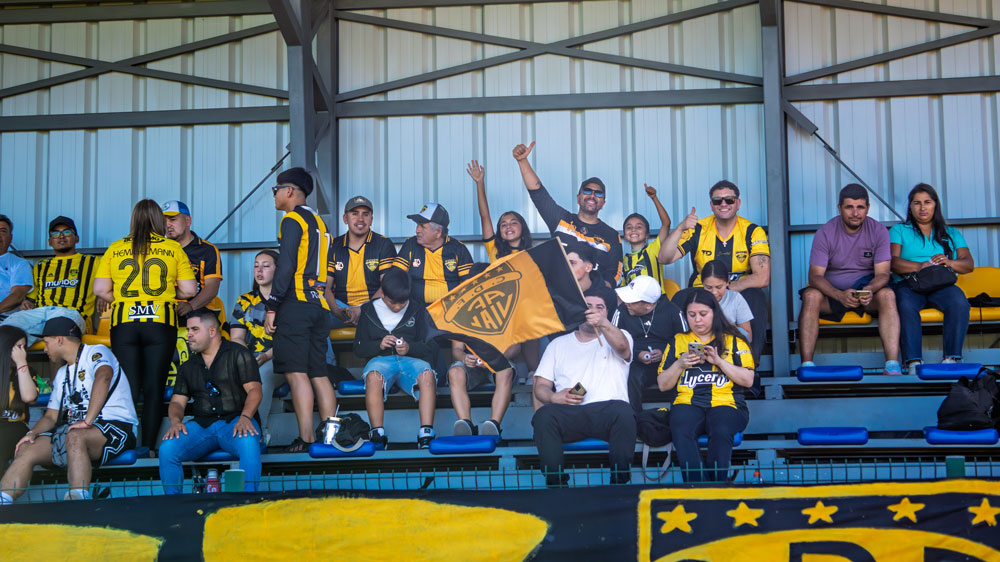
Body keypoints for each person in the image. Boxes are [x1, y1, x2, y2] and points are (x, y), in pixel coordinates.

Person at [94, 199, 196, 448]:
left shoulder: (115, 248)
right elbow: (189, 290)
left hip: (124, 323)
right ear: (159, 220)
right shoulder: (172, 248)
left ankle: (125, 445)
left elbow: (100, 289)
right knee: (154, 387)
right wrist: (167, 294)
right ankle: (148, 447)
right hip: (160, 322)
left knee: (128, 386)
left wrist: (125, 299)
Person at [0, 318, 137, 503]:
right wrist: (32, 433)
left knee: (75, 436)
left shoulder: (96, 351)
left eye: (46, 342)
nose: (45, 349)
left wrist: (87, 420)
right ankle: (3, 500)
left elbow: (104, 376)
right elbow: (50, 416)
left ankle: (77, 498)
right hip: (75, 433)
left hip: (116, 428)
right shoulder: (62, 373)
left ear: (59, 339)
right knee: (27, 447)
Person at [263, 167, 338, 452]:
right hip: (319, 304)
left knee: (296, 373)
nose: (274, 195)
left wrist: (272, 305)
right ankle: (330, 437)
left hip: (295, 303)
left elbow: (286, 266)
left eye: (276, 190)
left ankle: (306, 438)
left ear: (290, 191)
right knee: (318, 372)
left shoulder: (292, 219)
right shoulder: (320, 223)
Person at [532, 284, 636, 487]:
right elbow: (540, 386)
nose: (593, 310)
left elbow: (623, 348)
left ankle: (619, 484)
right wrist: (554, 397)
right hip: (570, 413)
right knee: (543, 416)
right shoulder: (557, 344)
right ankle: (556, 485)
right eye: (588, 306)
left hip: (608, 412)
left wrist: (603, 324)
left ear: (607, 313)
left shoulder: (620, 335)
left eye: (600, 307)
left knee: (624, 412)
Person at [660, 180, 770, 356]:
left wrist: (724, 290)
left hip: (737, 291)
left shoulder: (752, 231)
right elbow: (664, 258)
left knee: (756, 296)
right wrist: (680, 228)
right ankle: (683, 358)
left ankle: (749, 361)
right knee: (680, 297)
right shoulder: (698, 229)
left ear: (738, 203)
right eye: (718, 201)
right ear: (711, 205)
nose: (723, 204)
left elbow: (762, 277)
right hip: (701, 290)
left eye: (729, 200)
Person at [799, 184, 900, 374]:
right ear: (839, 208)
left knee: (887, 295)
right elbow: (815, 276)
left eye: (860, 207)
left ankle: (892, 365)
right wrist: (838, 295)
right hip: (833, 295)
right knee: (811, 296)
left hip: (866, 295)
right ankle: (807, 365)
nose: (855, 213)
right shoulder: (825, 232)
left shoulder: (878, 231)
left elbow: (883, 274)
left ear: (868, 208)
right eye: (849, 207)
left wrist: (870, 289)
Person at [159, 309, 262, 494]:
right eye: (188, 330)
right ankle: (172, 504)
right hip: (202, 426)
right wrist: (175, 422)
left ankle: (248, 501)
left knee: (248, 443)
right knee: (168, 448)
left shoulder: (238, 353)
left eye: (194, 329)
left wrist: (246, 417)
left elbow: (255, 390)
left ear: (212, 331)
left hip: (236, 421)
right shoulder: (188, 366)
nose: (188, 334)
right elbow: (177, 403)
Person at [657, 289, 754, 483]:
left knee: (721, 430)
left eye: (703, 314)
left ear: (714, 313)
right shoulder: (678, 341)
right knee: (681, 430)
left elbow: (748, 380)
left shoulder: (734, 340)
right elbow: (663, 385)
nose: (697, 320)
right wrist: (680, 364)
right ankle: (698, 488)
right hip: (687, 402)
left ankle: (716, 487)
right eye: (691, 315)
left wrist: (719, 362)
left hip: (727, 403)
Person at [889, 183, 975, 373]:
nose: (922, 207)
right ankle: (913, 362)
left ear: (935, 205)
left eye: (927, 202)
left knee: (959, 302)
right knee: (905, 304)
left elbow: (968, 264)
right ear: (910, 207)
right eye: (917, 203)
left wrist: (949, 262)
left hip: (941, 284)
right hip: (909, 283)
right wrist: (920, 266)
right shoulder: (899, 230)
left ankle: (952, 359)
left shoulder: (950, 233)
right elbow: (893, 262)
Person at [512, 142, 623, 287]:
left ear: (603, 203)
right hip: (557, 293)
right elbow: (538, 193)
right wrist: (522, 161)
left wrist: (598, 292)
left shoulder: (611, 235)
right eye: (587, 191)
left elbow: (615, 274)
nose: (592, 195)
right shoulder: (561, 219)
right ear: (578, 198)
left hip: (592, 297)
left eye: (598, 193)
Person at [468, 161, 540, 372]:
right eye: (503, 224)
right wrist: (479, 184)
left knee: (530, 320)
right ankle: (486, 364)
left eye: (513, 222)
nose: (508, 226)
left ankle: (534, 372)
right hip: (500, 309)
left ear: (522, 227)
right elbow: (485, 216)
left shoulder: (533, 255)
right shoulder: (495, 251)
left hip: (525, 310)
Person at [354, 268, 437, 448]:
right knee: (373, 377)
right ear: (382, 294)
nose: (398, 307)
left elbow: (429, 346)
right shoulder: (368, 310)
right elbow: (358, 348)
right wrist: (379, 345)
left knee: (427, 374)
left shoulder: (417, 308)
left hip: (411, 361)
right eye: (392, 303)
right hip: (380, 361)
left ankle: (426, 433)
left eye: (403, 302)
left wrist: (409, 348)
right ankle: (377, 434)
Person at [2, 216, 100, 344]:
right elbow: (31, 299)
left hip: (71, 313)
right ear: (50, 242)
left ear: (76, 238)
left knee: (57, 333)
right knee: (6, 331)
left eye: (66, 232)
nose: (61, 236)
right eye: (55, 233)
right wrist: (27, 303)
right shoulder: (41, 266)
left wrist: (103, 295)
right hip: (41, 314)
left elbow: (111, 280)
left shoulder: (93, 262)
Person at [612, 275, 686, 413]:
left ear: (649, 305)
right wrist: (636, 354)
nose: (627, 303)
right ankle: (634, 418)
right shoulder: (622, 311)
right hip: (633, 362)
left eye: (632, 301)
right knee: (632, 374)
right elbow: (612, 342)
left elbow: (684, 341)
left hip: (668, 362)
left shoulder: (673, 312)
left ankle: (677, 414)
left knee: (679, 372)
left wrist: (664, 353)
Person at [230, 250, 281, 441]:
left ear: (278, 270)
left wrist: (266, 356)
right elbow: (236, 337)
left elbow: (290, 340)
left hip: (280, 359)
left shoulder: (286, 300)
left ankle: (259, 432)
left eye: (266, 266)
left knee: (262, 375)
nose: (259, 270)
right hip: (249, 359)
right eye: (256, 266)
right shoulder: (244, 300)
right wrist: (246, 359)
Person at [326, 195, 397, 326]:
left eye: (365, 214)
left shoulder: (383, 243)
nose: (360, 219)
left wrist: (362, 309)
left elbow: (386, 286)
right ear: (345, 218)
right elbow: (326, 287)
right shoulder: (334, 245)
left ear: (371, 219)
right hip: (341, 307)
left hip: (373, 307)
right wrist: (337, 311)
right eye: (355, 214)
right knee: (315, 318)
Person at [393, 202, 473, 306]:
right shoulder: (411, 245)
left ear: (438, 232)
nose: (417, 230)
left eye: (422, 226)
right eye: (417, 225)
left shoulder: (458, 249)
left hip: (448, 309)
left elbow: (468, 285)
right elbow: (395, 277)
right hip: (415, 309)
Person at [162, 201, 224, 320]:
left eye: (172, 219)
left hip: (200, 316)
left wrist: (191, 306)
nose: (167, 225)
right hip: (165, 316)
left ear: (187, 221)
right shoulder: (158, 250)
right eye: (163, 221)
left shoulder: (208, 250)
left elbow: (212, 288)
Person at [0, 326, 38, 470]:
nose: (22, 351)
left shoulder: (27, 371)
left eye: (24, 347)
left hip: (15, 427)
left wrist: (21, 363)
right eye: (18, 347)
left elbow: (29, 397)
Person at [621, 184, 672, 292]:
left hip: (657, 300)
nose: (633, 230)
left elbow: (666, 223)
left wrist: (654, 198)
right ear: (624, 235)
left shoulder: (654, 249)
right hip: (634, 302)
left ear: (647, 234)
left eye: (639, 227)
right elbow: (624, 287)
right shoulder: (624, 260)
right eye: (629, 227)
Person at [700, 260, 753, 343]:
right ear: (702, 283)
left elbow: (748, 337)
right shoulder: (696, 300)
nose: (714, 292)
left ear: (727, 281)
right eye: (709, 287)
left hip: (729, 346)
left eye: (719, 287)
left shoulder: (736, 299)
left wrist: (728, 327)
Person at [0, 214, 32, 321]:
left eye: (3, 231)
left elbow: (17, 295)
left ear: (10, 238)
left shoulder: (19, 264)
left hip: (5, 318)